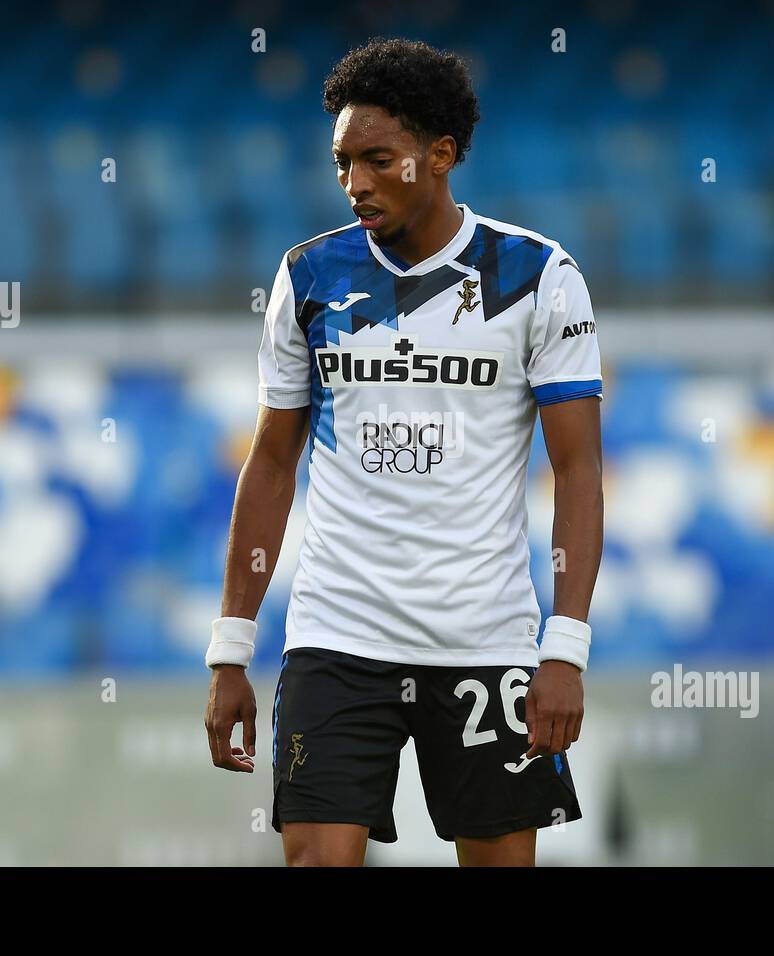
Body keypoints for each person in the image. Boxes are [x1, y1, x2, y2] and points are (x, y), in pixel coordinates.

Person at [203, 39, 603, 867]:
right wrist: (231, 648)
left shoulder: (537, 277)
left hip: (482, 640)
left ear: (441, 153)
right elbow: (271, 463)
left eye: (378, 160)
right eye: (343, 162)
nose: (355, 184)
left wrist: (564, 648)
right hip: (337, 636)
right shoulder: (310, 276)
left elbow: (578, 470)